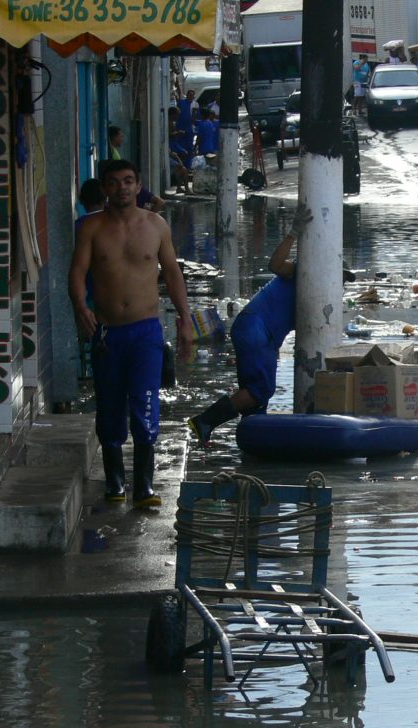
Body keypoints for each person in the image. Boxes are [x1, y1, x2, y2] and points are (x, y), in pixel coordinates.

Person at [69, 159, 193, 507]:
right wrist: (81, 307)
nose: (121, 188)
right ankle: (114, 481)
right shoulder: (90, 228)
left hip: (146, 333)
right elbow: (77, 272)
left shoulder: (156, 226)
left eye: (128, 181)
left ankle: (144, 486)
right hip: (108, 333)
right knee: (109, 406)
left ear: (139, 186)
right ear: (105, 188)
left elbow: (172, 274)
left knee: (145, 402)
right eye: (114, 182)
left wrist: (185, 320)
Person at [188, 204, 358, 445]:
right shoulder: (302, 273)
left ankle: (251, 441)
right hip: (256, 328)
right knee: (260, 390)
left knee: (257, 397)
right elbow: (275, 265)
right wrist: (293, 233)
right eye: (339, 277)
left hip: (260, 334)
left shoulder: (319, 295)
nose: (340, 284)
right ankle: (205, 421)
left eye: (344, 281)